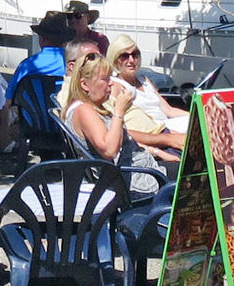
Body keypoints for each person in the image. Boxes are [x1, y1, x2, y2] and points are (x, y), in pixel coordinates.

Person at [58, 47, 169, 189]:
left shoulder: (92, 107)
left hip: (144, 169)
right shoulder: (83, 110)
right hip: (136, 180)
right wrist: (119, 112)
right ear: (85, 85)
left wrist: (158, 152)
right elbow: (109, 151)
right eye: (105, 78)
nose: (111, 83)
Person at [101, 34, 190, 155]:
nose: (131, 60)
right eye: (124, 56)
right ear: (115, 59)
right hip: (154, 131)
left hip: (166, 125)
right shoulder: (116, 85)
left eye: (135, 54)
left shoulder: (144, 79)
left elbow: (169, 110)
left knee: (204, 122)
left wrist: (196, 115)